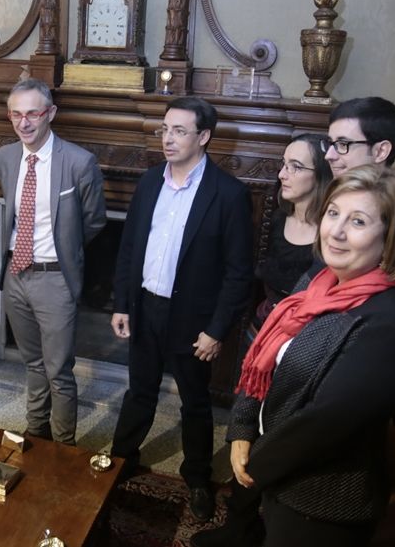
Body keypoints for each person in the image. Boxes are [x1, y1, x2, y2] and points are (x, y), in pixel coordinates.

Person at [192, 165, 395, 547]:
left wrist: (254, 464)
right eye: (333, 213)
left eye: (358, 221)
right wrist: (242, 428)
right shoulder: (317, 281)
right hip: (278, 478)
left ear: (392, 236)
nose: (335, 230)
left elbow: (324, 424)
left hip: (322, 501)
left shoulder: (390, 322)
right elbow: (264, 362)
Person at [110, 96, 253, 521]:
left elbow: (238, 273)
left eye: (179, 131)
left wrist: (217, 330)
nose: (168, 139)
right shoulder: (150, 181)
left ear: (204, 137)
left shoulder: (228, 194)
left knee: (194, 402)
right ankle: (121, 459)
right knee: (139, 390)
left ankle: (196, 477)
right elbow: (129, 247)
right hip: (145, 307)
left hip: (193, 321)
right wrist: (122, 303)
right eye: (165, 130)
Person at [0, 79, 106, 445]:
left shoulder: (78, 162)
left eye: (32, 114)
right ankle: (36, 430)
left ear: (50, 114)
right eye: (15, 114)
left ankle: (62, 447)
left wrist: (65, 250)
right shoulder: (7, 156)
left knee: (59, 370)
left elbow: (93, 221)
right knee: (32, 364)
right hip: (15, 275)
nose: (23, 123)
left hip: (55, 279)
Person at [322, 97, 395, 302]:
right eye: (330, 143)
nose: (329, 154)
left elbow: (385, 310)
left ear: (381, 151)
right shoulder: (336, 197)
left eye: (343, 144)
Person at [254, 133, 333, 328]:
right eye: (284, 164)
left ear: (321, 174)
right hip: (263, 321)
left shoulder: (333, 234)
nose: (282, 174)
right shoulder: (276, 218)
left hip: (301, 333)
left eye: (295, 167)